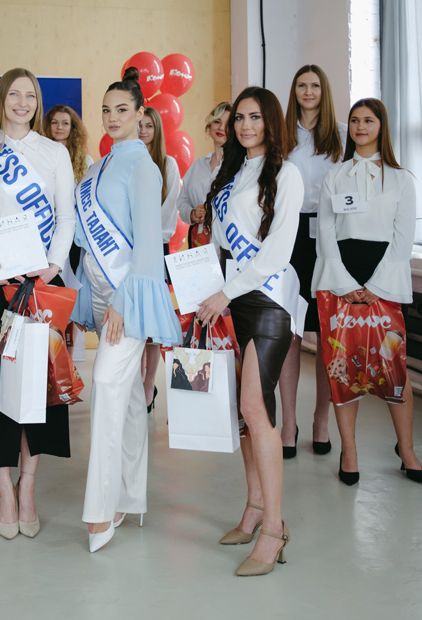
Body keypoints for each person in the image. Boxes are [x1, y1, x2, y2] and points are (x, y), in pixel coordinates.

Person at [0, 67, 75, 540]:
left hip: (41, 282)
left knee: (39, 386)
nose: (23, 103)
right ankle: (3, 486)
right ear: (1, 100)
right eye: (14, 95)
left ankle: (29, 485)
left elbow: (66, 218)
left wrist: (52, 265)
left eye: (31, 96)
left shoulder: (55, 153)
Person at [71, 67, 181, 553]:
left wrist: (121, 300)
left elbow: (148, 246)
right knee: (132, 396)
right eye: (106, 110)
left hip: (126, 299)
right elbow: (85, 243)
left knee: (106, 384)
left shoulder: (144, 167)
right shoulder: (98, 168)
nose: (112, 117)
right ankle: (132, 496)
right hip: (98, 295)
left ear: (140, 115)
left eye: (122, 110)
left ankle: (101, 510)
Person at [198, 86, 304, 576]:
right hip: (232, 299)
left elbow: (278, 251)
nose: (245, 125)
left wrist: (226, 291)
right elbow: (221, 243)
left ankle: (275, 529)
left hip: (267, 300)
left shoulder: (287, 174)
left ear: (271, 121)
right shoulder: (234, 171)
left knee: (254, 409)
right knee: (246, 414)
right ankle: (254, 508)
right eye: (239, 117)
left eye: (255, 117)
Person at [312, 97, 422, 485]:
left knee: (394, 368)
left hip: (384, 284)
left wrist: (375, 286)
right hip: (340, 280)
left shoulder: (402, 179)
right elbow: (325, 231)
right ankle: (349, 450)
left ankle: (407, 450)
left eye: (369, 120)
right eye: (355, 120)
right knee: (343, 370)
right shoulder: (334, 176)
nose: (360, 126)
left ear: (381, 126)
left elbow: (403, 237)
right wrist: (344, 282)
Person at [280, 65, 346, 458]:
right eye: (302, 85)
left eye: (315, 85)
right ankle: (289, 423)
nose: (308, 91)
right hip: (289, 237)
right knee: (289, 330)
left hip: (328, 236)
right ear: (294, 91)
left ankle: (321, 419)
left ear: (324, 91)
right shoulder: (281, 133)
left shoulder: (340, 134)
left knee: (324, 333)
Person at [137, 106, 182, 411]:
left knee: (151, 325)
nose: (143, 130)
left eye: (149, 126)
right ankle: (134, 382)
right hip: (128, 251)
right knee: (134, 322)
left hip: (155, 248)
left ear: (157, 130)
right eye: (139, 125)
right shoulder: (125, 163)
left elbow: (168, 210)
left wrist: (147, 234)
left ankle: (148, 383)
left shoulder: (168, 165)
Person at [42, 104, 93, 274]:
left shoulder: (85, 161)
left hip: (74, 229)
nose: (59, 127)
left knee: (72, 276)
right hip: (45, 227)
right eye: (54, 123)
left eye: (65, 123)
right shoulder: (39, 157)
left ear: (73, 128)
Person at [177, 101, 231, 248]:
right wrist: (192, 213)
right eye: (217, 121)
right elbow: (182, 201)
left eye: (227, 124)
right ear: (210, 125)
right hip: (198, 242)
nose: (221, 128)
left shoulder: (238, 167)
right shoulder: (198, 165)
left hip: (227, 244)